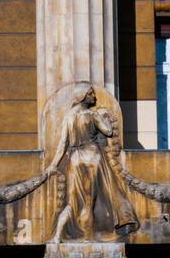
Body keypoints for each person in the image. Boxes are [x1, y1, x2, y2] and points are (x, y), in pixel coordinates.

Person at [47, 84, 138, 241]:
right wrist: (103, 117)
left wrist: (53, 164)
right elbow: (108, 131)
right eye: (91, 94)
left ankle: (57, 236)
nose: (94, 98)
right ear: (83, 96)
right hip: (92, 158)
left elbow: (63, 144)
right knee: (89, 202)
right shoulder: (92, 115)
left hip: (75, 160)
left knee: (72, 202)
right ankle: (88, 237)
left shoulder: (68, 117)